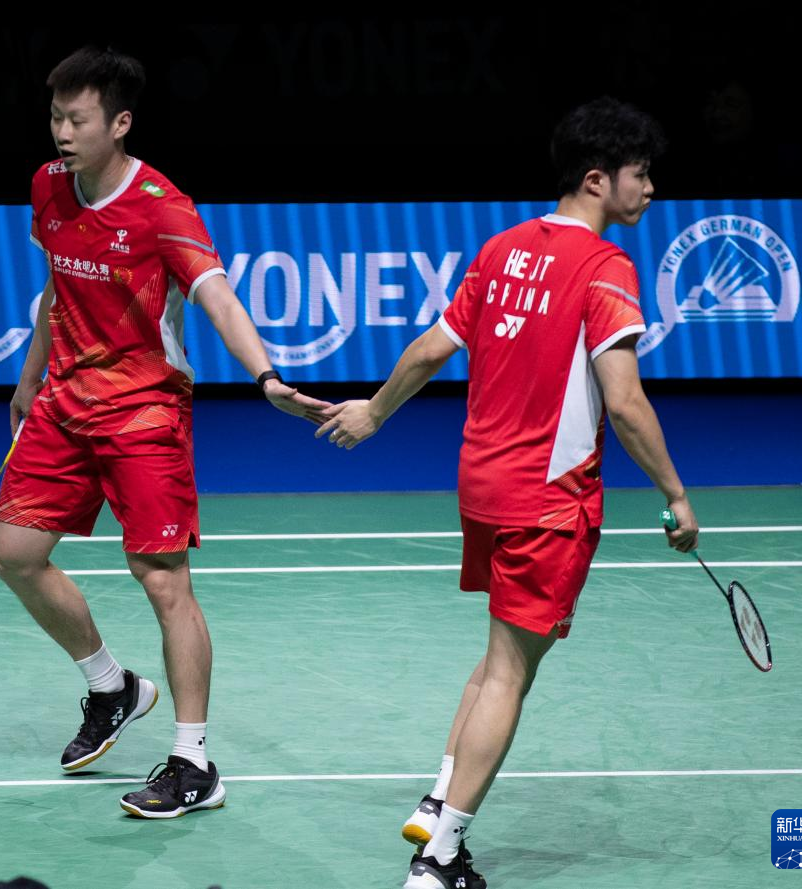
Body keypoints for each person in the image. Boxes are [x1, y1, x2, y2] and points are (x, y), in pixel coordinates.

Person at [316, 96, 699, 888]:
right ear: (596, 179)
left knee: (498, 658)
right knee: (508, 674)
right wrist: (675, 492)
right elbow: (624, 402)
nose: (649, 187)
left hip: (481, 487)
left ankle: (437, 796)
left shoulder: (501, 250)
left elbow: (431, 348)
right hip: (546, 500)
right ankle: (440, 856)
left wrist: (374, 412)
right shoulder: (605, 268)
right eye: (640, 173)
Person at [0, 45, 330, 820]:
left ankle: (193, 760)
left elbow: (218, 297)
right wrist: (28, 376)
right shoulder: (47, 187)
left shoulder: (161, 207)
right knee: (13, 554)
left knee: (163, 580)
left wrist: (266, 377)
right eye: (55, 117)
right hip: (64, 403)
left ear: (120, 123)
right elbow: (55, 288)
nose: (62, 132)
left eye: (77, 119)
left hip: (143, 410)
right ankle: (111, 686)